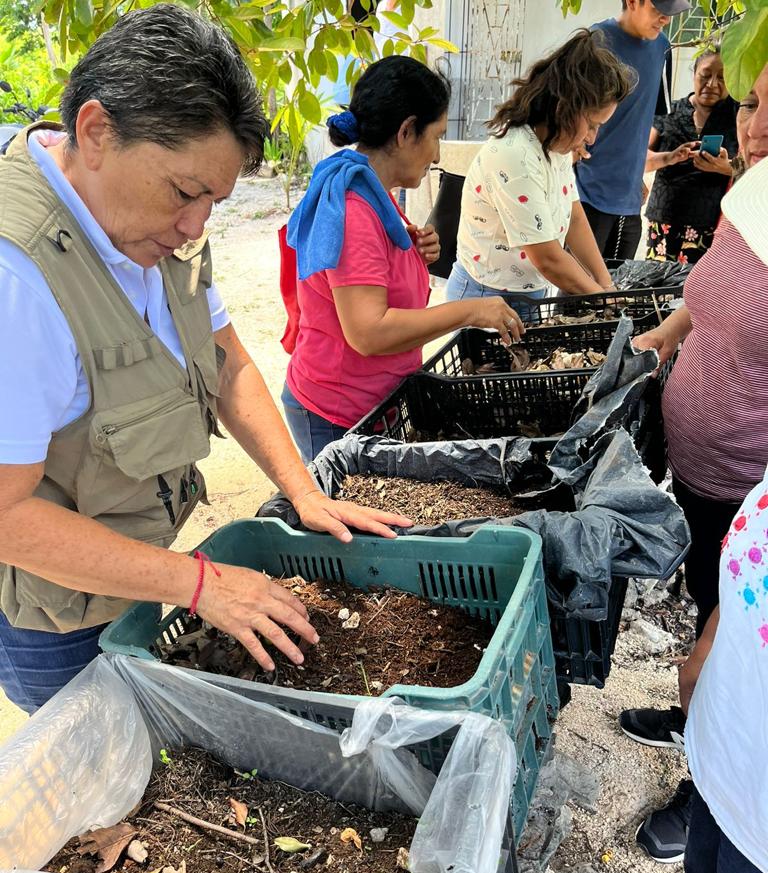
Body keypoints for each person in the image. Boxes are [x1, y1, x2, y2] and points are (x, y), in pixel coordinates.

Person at [0, 5, 412, 715]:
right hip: (56, 616)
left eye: (215, 202)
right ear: (96, 132)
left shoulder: (149, 227)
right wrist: (200, 585)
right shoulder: (19, 280)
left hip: (138, 564)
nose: (195, 225)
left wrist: (302, 489)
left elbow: (226, 362)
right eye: (186, 193)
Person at [612, 154, 768, 873]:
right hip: (738, 709)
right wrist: (713, 643)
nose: (755, 127)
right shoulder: (753, 193)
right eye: (755, 102)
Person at [282, 56, 524, 464]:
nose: (436, 156)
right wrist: (468, 311)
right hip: (338, 412)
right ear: (406, 131)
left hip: (376, 401)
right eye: (436, 137)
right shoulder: (356, 208)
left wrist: (413, 253)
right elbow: (368, 332)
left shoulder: (376, 193)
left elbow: (372, 272)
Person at [445, 30, 631, 315]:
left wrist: (607, 285)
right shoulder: (515, 156)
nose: (592, 138)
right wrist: (603, 299)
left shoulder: (556, 147)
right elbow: (549, 259)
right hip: (485, 297)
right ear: (564, 108)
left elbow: (575, 217)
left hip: (528, 293)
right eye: (592, 124)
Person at [575, 0, 690, 261]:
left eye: (670, 13)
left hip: (630, 199)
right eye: (658, 10)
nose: (665, 19)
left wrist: (638, 171)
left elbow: (642, 120)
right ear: (632, 2)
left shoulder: (663, 48)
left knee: (616, 291)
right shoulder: (595, 42)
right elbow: (566, 109)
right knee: (578, 292)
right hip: (586, 192)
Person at [645, 48, 738, 265]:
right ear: (694, 74)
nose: (712, 84)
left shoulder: (738, 114)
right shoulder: (669, 110)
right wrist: (669, 157)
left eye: (722, 77)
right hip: (664, 217)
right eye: (705, 75)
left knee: (695, 290)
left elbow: (755, 166)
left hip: (711, 222)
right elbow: (641, 158)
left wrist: (724, 167)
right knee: (657, 285)